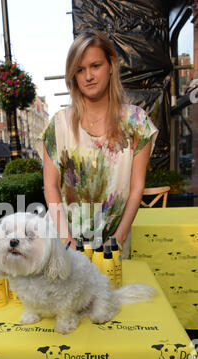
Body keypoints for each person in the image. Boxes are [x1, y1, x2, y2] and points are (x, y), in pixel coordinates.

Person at [39, 30, 158, 257]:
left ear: (111, 65)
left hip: (114, 245)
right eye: (80, 69)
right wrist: (67, 242)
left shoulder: (136, 122)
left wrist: (118, 238)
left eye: (95, 66)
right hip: (64, 247)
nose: (88, 76)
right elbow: (51, 186)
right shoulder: (59, 125)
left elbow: (136, 188)